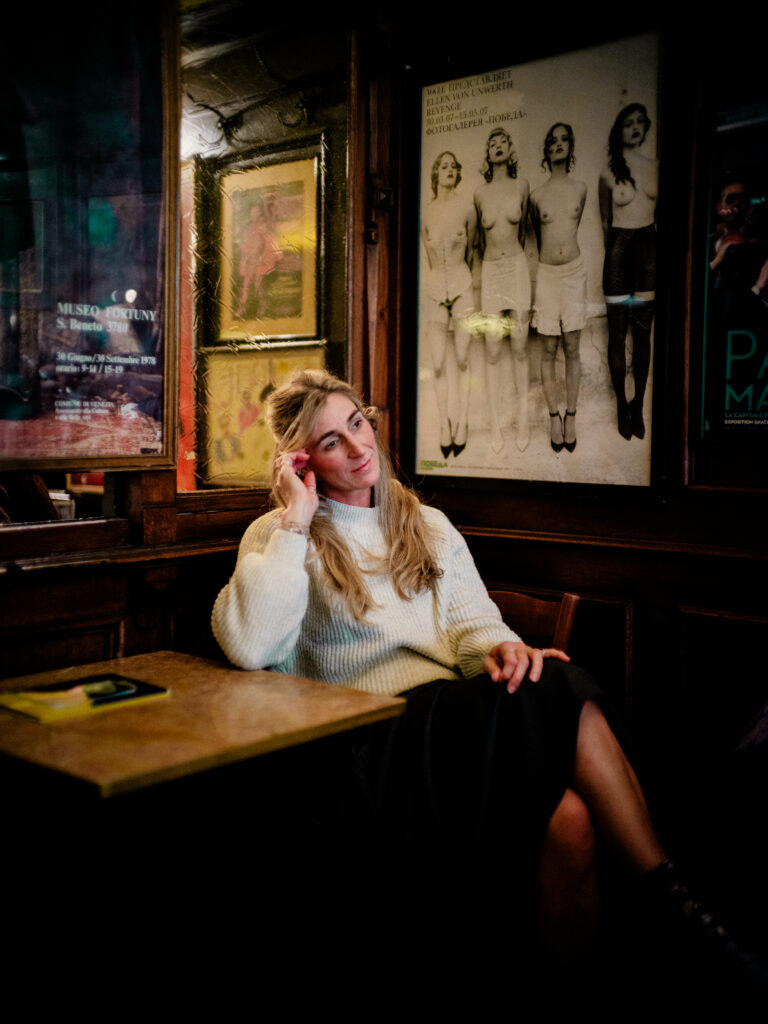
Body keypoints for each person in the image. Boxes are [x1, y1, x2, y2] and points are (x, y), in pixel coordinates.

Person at [211, 369, 764, 1010]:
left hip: (452, 736)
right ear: (302, 462)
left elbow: (474, 628)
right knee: (559, 684)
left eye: (358, 423)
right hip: (366, 746)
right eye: (332, 441)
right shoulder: (280, 536)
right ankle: (671, 899)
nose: (359, 447)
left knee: (571, 817)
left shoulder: (427, 524)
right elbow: (250, 645)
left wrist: (504, 649)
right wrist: (297, 519)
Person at [599, 103, 657, 441]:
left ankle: (639, 405)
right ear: (619, 130)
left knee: (644, 333)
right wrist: (615, 255)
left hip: (648, 249)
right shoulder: (609, 172)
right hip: (619, 251)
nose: (634, 127)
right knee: (617, 334)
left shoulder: (656, 167)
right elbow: (605, 223)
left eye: (639, 122)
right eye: (627, 123)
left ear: (645, 127)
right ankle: (622, 404)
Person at [530, 123, 587, 453]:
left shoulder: (581, 188)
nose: (558, 144)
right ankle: (554, 416)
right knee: (549, 349)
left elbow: (574, 227)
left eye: (565, 139)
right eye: (553, 141)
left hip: (574, 273)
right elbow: (540, 238)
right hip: (548, 275)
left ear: (571, 146)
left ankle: (572, 416)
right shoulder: (536, 196)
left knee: (572, 347)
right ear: (547, 150)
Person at [474, 129, 531, 452]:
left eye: (503, 143)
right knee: (494, 349)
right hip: (492, 270)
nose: (497, 147)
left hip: (517, 268)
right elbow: (479, 241)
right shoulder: (480, 193)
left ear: (511, 150)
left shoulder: (522, 186)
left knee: (520, 345)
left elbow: (524, 234)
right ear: (488, 152)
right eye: (492, 143)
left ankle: (522, 421)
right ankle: (496, 424)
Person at [421, 151, 476, 458]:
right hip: (434, 291)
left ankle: (463, 421)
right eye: (444, 166)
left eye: (454, 166)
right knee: (439, 362)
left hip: (462, 286)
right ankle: (445, 424)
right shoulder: (426, 212)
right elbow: (429, 257)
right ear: (435, 174)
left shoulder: (467, 208)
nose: (449, 170)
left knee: (464, 358)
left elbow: (473, 250)